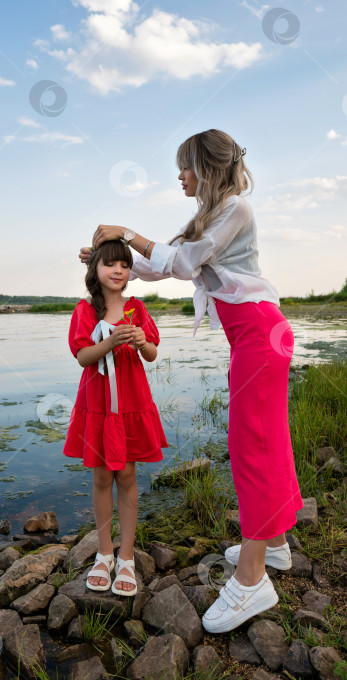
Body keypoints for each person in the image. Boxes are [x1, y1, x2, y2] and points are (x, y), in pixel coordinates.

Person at [79, 129, 304, 632]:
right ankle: (276, 545)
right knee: (267, 440)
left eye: (184, 167)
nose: (179, 175)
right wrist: (110, 263)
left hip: (261, 334)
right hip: (251, 336)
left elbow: (181, 261)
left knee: (252, 445)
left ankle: (250, 583)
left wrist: (129, 230)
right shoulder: (207, 218)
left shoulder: (236, 210)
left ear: (205, 166)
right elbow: (161, 268)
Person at [63, 239, 168, 596]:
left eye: (124, 265)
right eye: (110, 264)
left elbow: (152, 354)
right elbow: (83, 357)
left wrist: (139, 340)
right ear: (95, 269)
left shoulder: (136, 308)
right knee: (101, 476)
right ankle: (104, 551)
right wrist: (110, 341)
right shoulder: (85, 310)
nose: (118, 270)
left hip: (129, 402)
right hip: (98, 404)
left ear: (130, 273)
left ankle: (126, 556)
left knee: (126, 473)